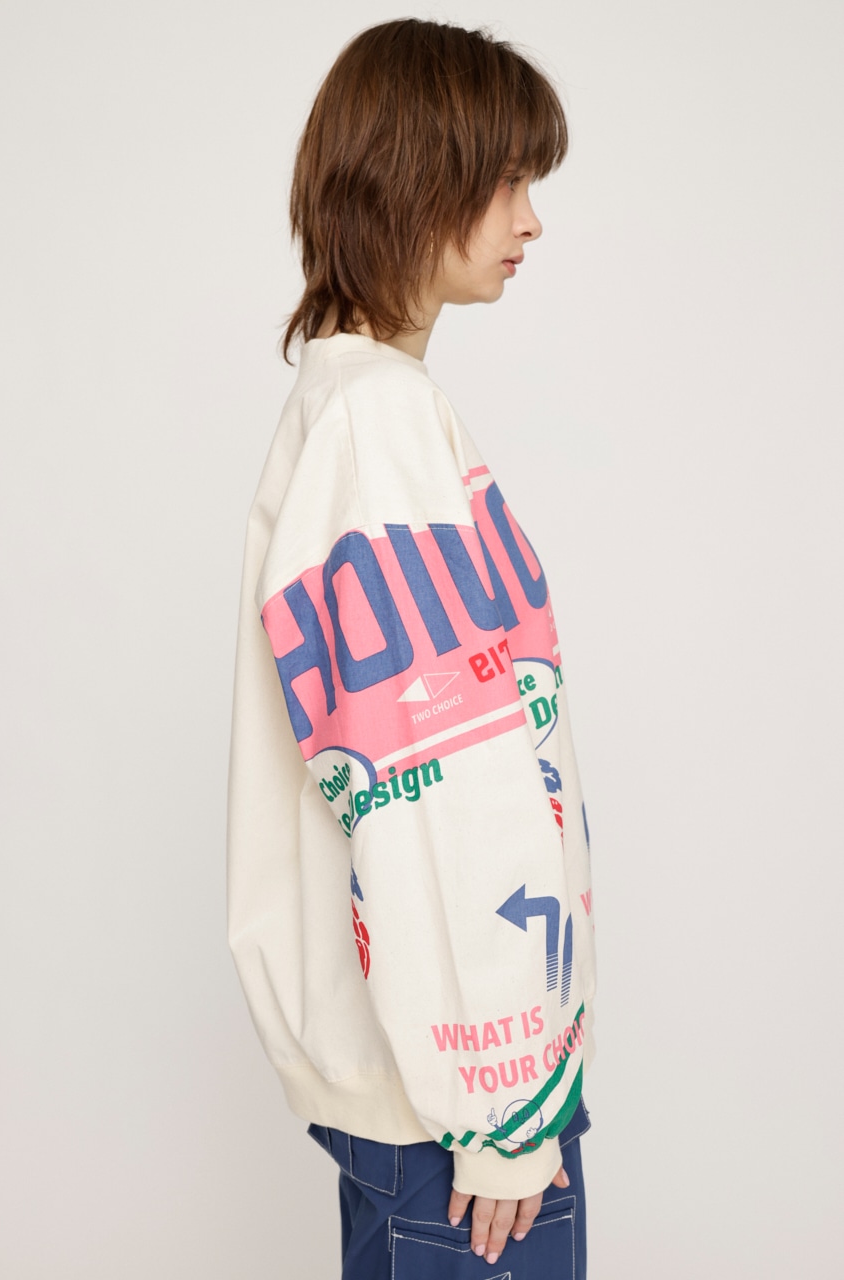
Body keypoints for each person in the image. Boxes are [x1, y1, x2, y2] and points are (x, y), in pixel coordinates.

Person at [228, 18, 596, 1279]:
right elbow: (436, 790)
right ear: (416, 175)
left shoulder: (348, 406)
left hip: (425, 1096)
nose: (530, 219)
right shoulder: (380, 423)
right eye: (508, 179)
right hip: (464, 1110)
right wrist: (503, 1111)